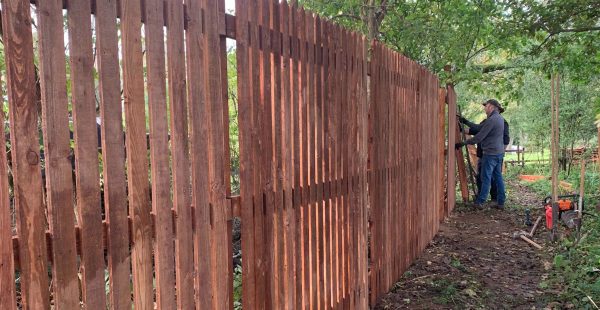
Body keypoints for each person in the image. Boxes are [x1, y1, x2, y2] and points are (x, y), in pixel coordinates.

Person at [455, 99, 506, 209]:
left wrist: (464, 143)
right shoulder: (499, 119)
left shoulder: (492, 120)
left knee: (485, 178)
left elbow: (479, 136)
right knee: (498, 177)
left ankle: (480, 202)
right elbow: (479, 128)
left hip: (490, 154)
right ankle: (501, 202)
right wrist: (465, 121)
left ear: (491, 107)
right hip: (498, 153)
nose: (484, 108)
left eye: (486, 106)